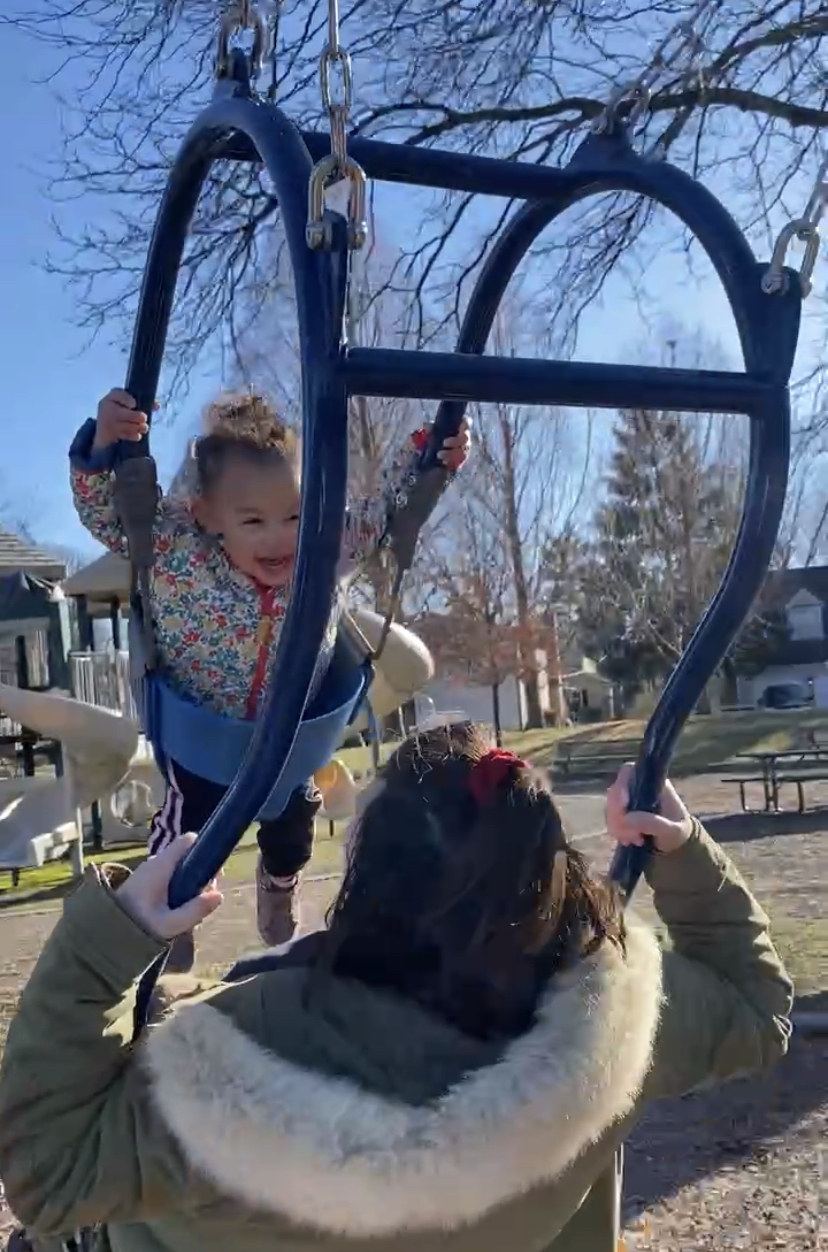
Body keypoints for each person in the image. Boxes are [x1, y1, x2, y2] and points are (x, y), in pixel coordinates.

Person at [0, 721, 792, 1252]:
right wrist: (682, 854)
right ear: (548, 871)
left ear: (369, 875)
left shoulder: (230, 1060)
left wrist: (112, 939)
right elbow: (757, 1005)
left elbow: (48, 1171)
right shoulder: (614, 1022)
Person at [69, 389, 471, 966]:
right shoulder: (176, 548)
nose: (279, 537)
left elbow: (389, 510)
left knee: (292, 833)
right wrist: (104, 445)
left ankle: (279, 884)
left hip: (289, 743)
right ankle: (165, 922)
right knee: (182, 840)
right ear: (207, 513)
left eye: (294, 514)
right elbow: (109, 512)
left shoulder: (325, 550)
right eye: (253, 520)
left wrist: (434, 457)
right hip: (201, 739)